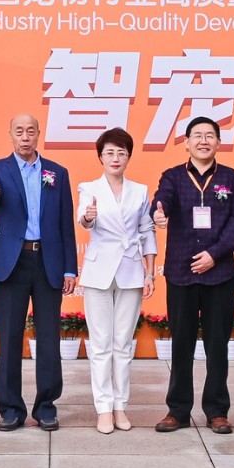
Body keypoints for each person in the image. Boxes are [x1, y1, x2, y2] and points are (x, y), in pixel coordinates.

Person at [0, 113, 76, 432]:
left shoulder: (57, 173)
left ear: (38, 134)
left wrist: (70, 268)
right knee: (10, 335)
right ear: (10, 135)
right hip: (13, 262)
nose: (25, 136)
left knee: (48, 336)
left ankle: (46, 406)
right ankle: (10, 408)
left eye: (30, 131)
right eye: (19, 131)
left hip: (48, 260)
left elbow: (65, 222)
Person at [151, 116, 234, 434]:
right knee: (181, 344)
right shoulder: (173, 176)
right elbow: (162, 199)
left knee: (218, 345)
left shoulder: (231, 178)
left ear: (218, 142)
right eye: (197, 136)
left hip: (220, 274)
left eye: (210, 136)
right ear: (187, 142)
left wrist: (214, 255)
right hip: (181, 272)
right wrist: (158, 212)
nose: (203, 141)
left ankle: (217, 411)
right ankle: (177, 411)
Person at [76, 127, 157, 435]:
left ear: (129, 157)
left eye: (121, 153)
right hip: (98, 271)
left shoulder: (140, 190)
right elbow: (84, 220)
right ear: (100, 156)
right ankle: (103, 408)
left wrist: (150, 272)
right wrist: (89, 216)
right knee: (100, 345)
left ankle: (120, 405)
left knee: (123, 343)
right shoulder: (89, 188)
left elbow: (147, 230)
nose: (115, 158)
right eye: (109, 152)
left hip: (131, 269)